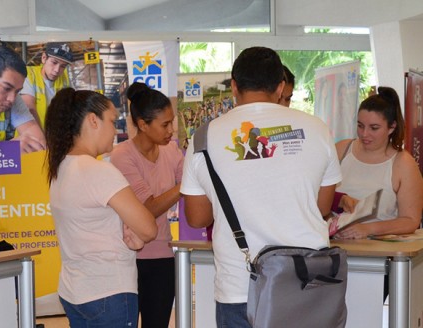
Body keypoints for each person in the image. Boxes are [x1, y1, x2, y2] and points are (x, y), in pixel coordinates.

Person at [181, 47, 341, 327]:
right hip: (307, 282)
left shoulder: (203, 138)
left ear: (233, 86)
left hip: (240, 287)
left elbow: (197, 219)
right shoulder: (317, 129)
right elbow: (322, 207)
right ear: (280, 86)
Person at [45, 88, 157, 327]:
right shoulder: (98, 171)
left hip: (75, 292)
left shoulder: (59, 168)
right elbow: (148, 229)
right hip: (108, 290)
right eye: (112, 121)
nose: (116, 129)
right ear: (93, 120)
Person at [109, 82, 183, 328]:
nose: (171, 130)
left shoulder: (172, 150)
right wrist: (184, 187)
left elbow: (195, 188)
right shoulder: (122, 155)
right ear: (142, 125)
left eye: (172, 122)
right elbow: (147, 209)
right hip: (129, 259)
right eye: (165, 124)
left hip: (163, 255)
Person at [333, 86, 423, 239]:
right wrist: (338, 199)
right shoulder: (342, 149)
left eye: (374, 128)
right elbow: (313, 192)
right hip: (335, 248)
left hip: (379, 254)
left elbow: (410, 221)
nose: (364, 134)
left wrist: (368, 229)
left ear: (392, 127)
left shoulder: (403, 163)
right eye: (360, 126)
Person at [20, 42, 74, 128]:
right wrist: (41, 138)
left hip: (54, 136)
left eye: (63, 66)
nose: (57, 70)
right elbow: (29, 109)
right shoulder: (29, 74)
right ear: (44, 58)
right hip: (31, 136)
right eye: (54, 62)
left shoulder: (64, 79)